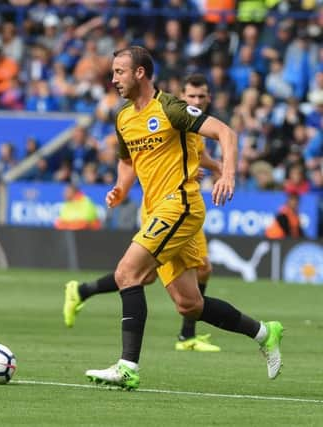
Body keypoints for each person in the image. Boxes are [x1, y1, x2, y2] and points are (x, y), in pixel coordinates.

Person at [80, 46, 283, 391]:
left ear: (140, 73)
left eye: (119, 72)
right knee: (189, 305)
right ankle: (265, 332)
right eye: (113, 72)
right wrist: (120, 187)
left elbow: (227, 134)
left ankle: (128, 366)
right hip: (156, 208)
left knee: (127, 273)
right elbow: (128, 161)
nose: (113, 79)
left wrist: (228, 174)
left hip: (180, 203)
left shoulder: (170, 108)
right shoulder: (124, 118)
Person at [64, 74, 223, 353]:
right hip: (164, 206)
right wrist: (122, 187)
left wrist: (219, 170)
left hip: (184, 204)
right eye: (192, 96)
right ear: (182, 96)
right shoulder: (169, 115)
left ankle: (186, 335)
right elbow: (139, 158)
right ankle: (83, 293)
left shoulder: (195, 129)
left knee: (193, 270)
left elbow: (199, 158)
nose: (197, 101)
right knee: (139, 275)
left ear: (208, 98)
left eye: (202, 96)